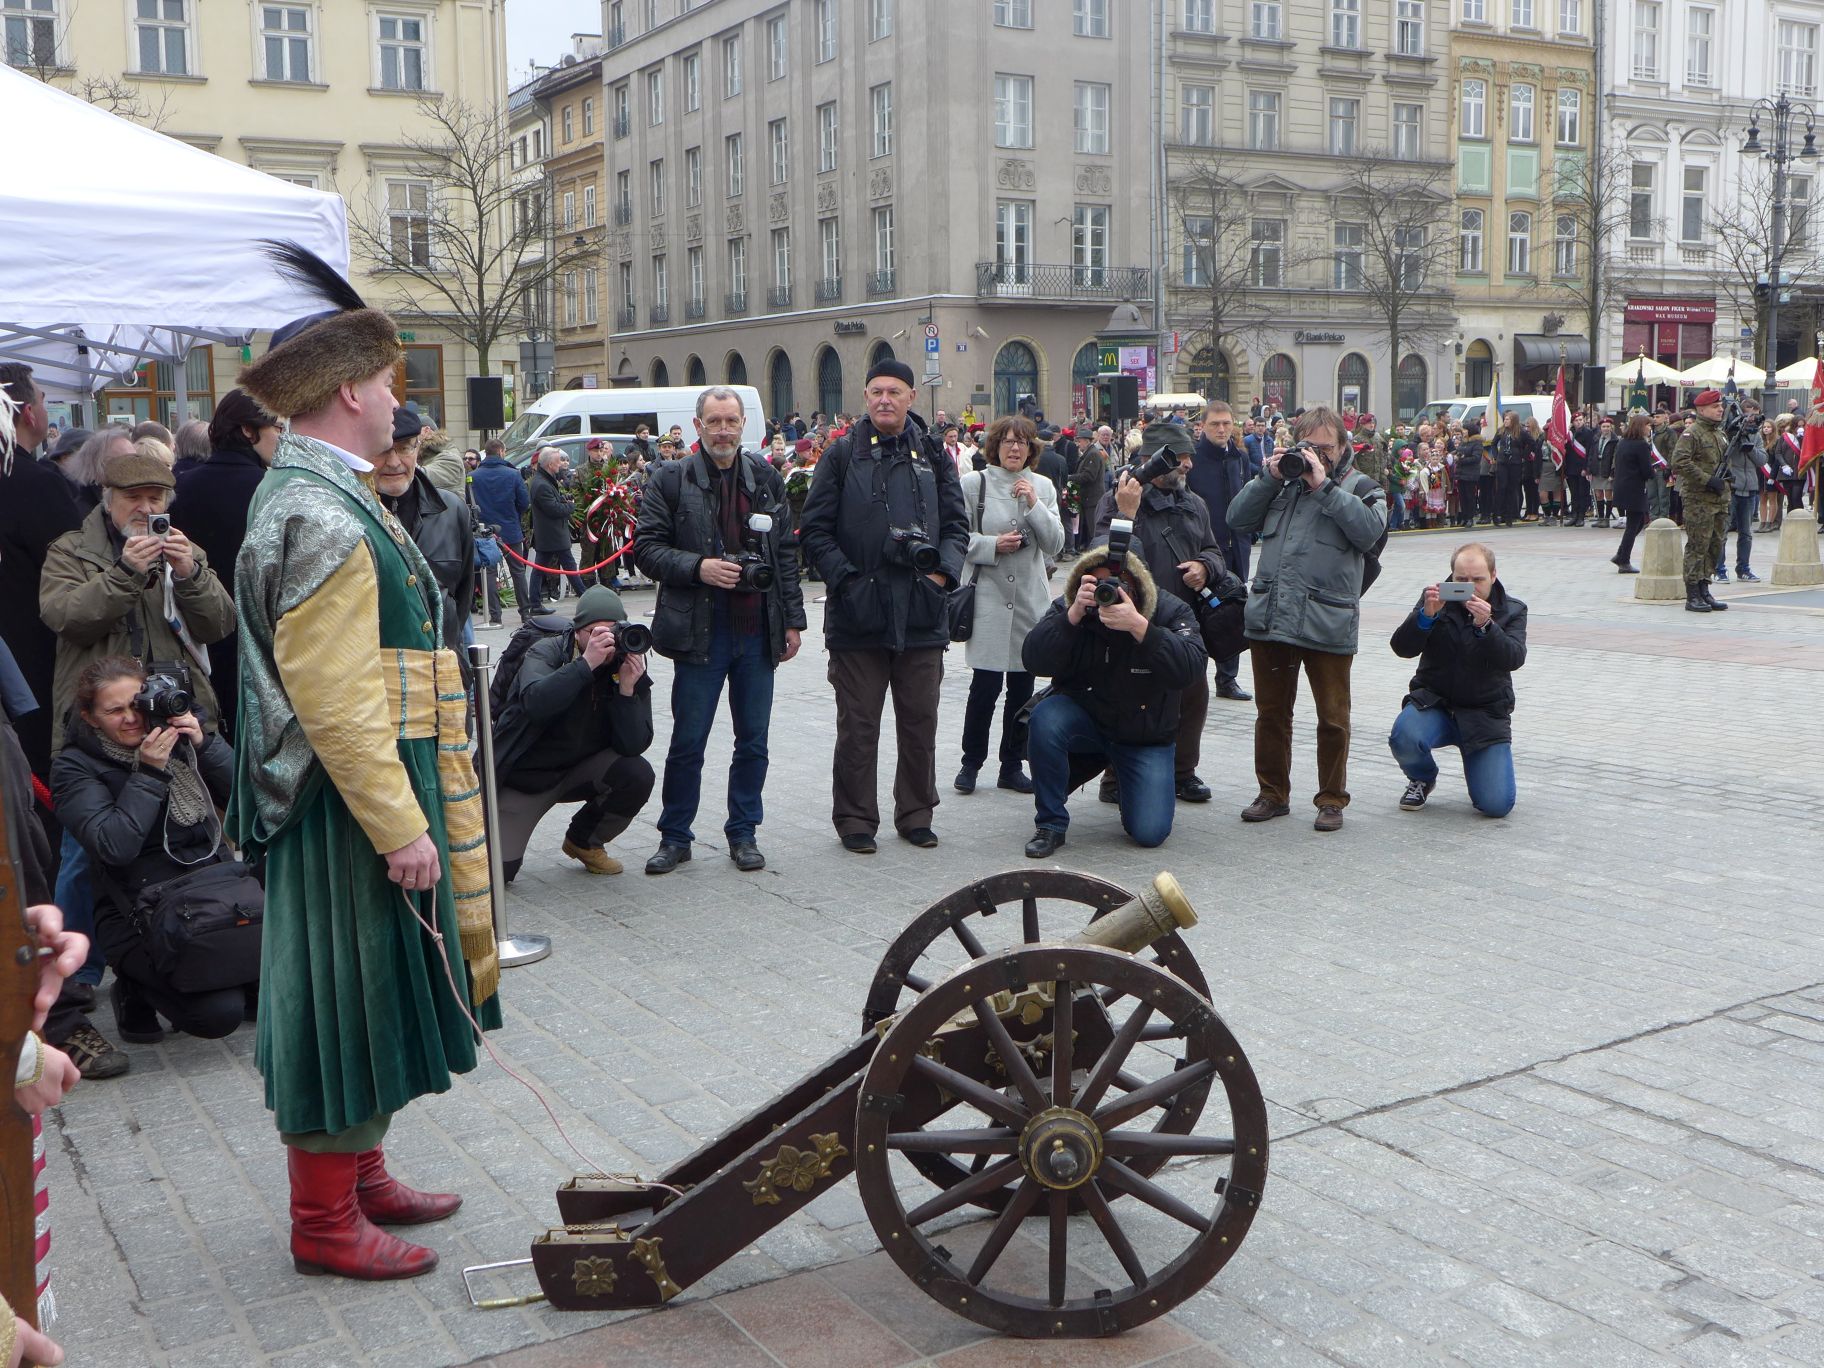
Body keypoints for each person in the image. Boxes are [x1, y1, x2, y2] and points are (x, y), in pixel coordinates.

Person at [230, 244, 498, 1281]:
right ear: (349, 391)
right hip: (347, 807)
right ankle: (325, 1221)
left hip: (358, 792)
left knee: (375, 989)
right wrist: (401, 826)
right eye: (389, 383)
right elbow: (335, 702)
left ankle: (362, 1175)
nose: (398, 400)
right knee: (341, 1002)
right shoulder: (318, 509)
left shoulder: (319, 491)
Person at [798, 358, 968, 853]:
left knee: (920, 723)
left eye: (894, 391)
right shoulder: (841, 454)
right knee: (858, 727)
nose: (885, 400)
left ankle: (916, 813)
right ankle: (855, 819)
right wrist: (847, 582)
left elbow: (957, 526)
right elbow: (814, 530)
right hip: (858, 615)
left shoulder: (933, 453)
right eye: (876, 391)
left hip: (922, 612)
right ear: (866, 396)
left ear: (912, 397)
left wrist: (941, 577)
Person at [633, 387, 805, 875]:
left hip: (757, 631)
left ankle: (743, 833)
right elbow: (646, 548)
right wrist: (699, 567)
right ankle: (675, 836)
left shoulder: (765, 477)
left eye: (731, 421)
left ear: (743, 424)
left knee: (753, 741)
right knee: (688, 741)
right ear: (698, 426)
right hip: (699, 631)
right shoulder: (671, 478)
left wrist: (794, 621)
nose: (724, 431)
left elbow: (785, 555)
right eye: (715, 421)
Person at [51, 656, 255, 1043]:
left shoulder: (176, 740)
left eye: (136, 704)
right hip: (139, 909)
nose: (131, 718)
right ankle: (133, 987)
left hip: (214, 891)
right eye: (114, 711)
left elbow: (253, 806)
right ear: (90, 718)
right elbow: (115, 846)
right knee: (218, 1015)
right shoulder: (74, 767)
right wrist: (148, 772)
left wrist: (204, 745)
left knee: (263, 994)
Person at [1226, 404, 1388, 832]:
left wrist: (1324, 486)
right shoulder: (1281, 483)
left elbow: (1370, 533)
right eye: (1308, 446)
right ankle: (1272, 793)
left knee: (1333, 718)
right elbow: (1236, 519)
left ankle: (1331, 799)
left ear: (1343, 446)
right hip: (1273, 616)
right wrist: (1268, 476)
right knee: (1271, 714)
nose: (1316, 455)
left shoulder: (1364, 488)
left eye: (1325, 447)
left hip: (1327, 620)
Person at [1019, 541, 1207, 857]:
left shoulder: (1168, 609)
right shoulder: (1073, 606)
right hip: (1086, 722)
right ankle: (1050, 823)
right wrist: (1071, 616)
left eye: (1119, 584)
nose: (1109, 592)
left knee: (1149, 833)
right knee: (1047, 717)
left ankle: (1129, 781)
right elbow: (1033, 660)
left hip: (1144, 734)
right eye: (1099, 583)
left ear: (1138, 582)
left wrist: (1141, 628)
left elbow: (1190, 669)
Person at [40, 450, 235, 751]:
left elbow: (219, 625)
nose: (145, 508)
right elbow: (65, 618)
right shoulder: (71, 551)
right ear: (108, 500)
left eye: (155, 499)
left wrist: (190, 574)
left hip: (177, 716)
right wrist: (126, 573)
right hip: (103, 725)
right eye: (133, 497)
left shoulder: (185, 551)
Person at [1100, 420, 1240, 803]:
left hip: (1184, 621)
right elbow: (1105, 555)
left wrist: (1205, 567)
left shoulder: (1194, 504)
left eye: (1189, 457)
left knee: (1192, 695)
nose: (1188, 465)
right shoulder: (1120, 499)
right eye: (1179, 458)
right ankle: (1114, 777)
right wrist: (1126, 512)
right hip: (1134, 619)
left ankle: (1183, 773)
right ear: (1154, 460)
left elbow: (1214, 550)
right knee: (1129, 698)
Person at [490, 586, 655, 880]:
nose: (605, 640)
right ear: (577, 631)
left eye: (612, 631)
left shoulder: (625, 663)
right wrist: (586, 664)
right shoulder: (546, 651)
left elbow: (632, 745)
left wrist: (627, 691)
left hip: (581, 770)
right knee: (496, 873)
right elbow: (536, 704)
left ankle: (584, 841)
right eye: (595, 632)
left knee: (637, 775)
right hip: (528, 779)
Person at [952, 415, 1065, 797]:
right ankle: (971, 763)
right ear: (995, 447)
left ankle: (1012, 765)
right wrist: (991, 545)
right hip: (987, 598)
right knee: (983, 688)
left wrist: (1034, 503)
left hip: (1029, 602)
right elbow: (955, 537)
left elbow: (1056, 544)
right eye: (1007, 441)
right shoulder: (974, 483)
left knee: (1021, 689)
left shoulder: (1042, 486)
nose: (1014, 448)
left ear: (1032, 449)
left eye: (1022, 442)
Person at [169, 388, 282, 737]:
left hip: (195, 635)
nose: (283, 437)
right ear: (248, 430)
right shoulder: (272, 490)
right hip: (261, 637)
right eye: (277, 427)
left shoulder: (180, 487)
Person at [1387, 543, 1525, 818]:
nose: (1470, 587)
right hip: (1434, 703)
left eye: (1478, 579)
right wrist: (1425, 617)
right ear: (1451, 576)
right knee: (1404, 736)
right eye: (1461, 579)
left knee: (1496, 805)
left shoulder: (1512, 609)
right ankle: (1422, 777)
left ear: (1493, 575)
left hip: (1484, 712)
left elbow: (1514, 658)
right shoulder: (1435, 600)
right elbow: (1402, 648)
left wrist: (1486, 626)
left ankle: (1480, 765)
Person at [0, 363, 85, 779]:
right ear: (29, 413)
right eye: (43, 399)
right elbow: (74, 574)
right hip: (32, 661)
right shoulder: (35, 483)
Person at [374, 406, 478, 654]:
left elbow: (461, 596)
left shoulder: (452, 510)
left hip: (440, 662)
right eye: (383, 450)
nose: (394, 462)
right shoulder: (351, 511)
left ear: (418, 449)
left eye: (404, 448)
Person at [1186, 400, 1256, 705]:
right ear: (1202, 426)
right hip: (1203, 550)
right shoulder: (1192, 459)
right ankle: (1194, 678)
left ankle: (1227, 678)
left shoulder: (1240, 458)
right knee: (1198, 614)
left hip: (1236, 547)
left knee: (1232, 612)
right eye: (1215, 424)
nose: (1222, 429)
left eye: (1227, 423)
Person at [1672, 389, 1731, 614]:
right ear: (1702, 410)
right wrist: (1707, 480)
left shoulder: (1720, 433)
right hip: (1698, 499)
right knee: (1698, 545)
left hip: (1719, 498)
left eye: (1720, 406)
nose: (1720, 409)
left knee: (1716, 544)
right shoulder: (1692, 434)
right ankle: (1693, 593)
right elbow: (1679, 462)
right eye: (1715, 407)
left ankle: (1705, 587)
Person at [470, 438, 534, 626]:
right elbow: (524, 503)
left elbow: (469, 503)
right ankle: (525, 613)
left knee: (489, 573)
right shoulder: (513, 474)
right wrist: (514, 515)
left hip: (484, 532)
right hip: (510, 528)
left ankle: (495, 616)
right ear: (501, 452)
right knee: (518, 571)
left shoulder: (473, 476)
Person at [1716, 414, 1763, 584]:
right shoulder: (1726, 435)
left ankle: (1743, 569)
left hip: (1749, 488)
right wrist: (1734, 438)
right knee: (1722, 532)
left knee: (1746, 533)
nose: (1751, 423)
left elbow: (1762, 460)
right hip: (1731, 487)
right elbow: (1722, 456)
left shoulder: (1756, 436)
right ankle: (1719, 569)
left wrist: (1750, 448)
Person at [529, 446, 577, 607]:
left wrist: (562, 498)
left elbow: (553, 501)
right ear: (550, 464)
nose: (561, 464)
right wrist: (570, 506)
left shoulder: (545, 480)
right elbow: (554, 509)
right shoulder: (542, 484)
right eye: (559, 461)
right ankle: (585, 597)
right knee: (569, 567)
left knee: (540, 569)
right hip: (552, 534)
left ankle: (535, 603)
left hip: (551, 534)